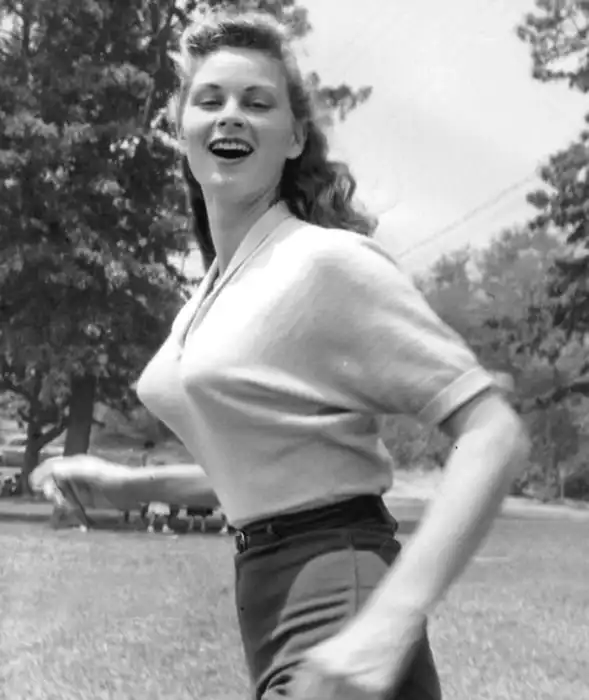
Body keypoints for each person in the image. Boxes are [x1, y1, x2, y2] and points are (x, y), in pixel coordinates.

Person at [33, 10, 530, 699]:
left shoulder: (323, 262)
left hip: (337, 589)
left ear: (295, 138)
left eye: (257, 102)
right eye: (210, 99)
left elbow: (493, 433)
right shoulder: (211, 296)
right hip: (269, 595)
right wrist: (128, 485)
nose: (231, 114)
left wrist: (389, 623)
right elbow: (276, 473)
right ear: (180, 129)